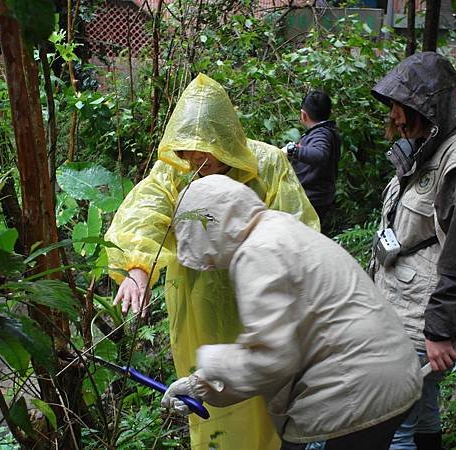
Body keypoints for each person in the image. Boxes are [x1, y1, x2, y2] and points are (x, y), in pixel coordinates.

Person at [104, 73, 319, 450]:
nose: (196, 159)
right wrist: (138, 266)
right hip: (195, 302)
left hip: (257, 300)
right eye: (188, 150)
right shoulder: (174, 170)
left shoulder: (267, 163)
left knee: (262, 390)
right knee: (205, 390)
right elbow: (145, 210)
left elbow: (297, 232)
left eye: (205, 150)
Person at [162, 174, 423, 450]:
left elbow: (271, 357)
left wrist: (201, 379)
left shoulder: (257, 253)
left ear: (206, 227)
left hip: (351, 396)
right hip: (392, 377)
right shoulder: (279, 228)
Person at [369, 52, 456, 449]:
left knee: (394, 425)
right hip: (404, 305)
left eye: (402, 108)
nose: (395, 118)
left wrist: (440, 332)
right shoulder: (427, 148)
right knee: (422, 410)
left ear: (427, 108)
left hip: (423, 317)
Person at [285, 90, 341, 234]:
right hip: (319, 197)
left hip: (313, 199)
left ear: (304, 114)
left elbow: (320, 154)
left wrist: (293, 150)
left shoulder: (321, 134)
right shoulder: (326, 131)